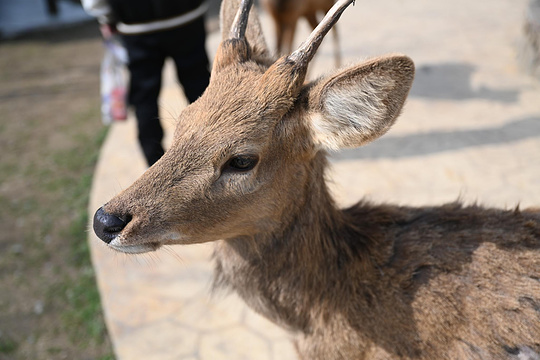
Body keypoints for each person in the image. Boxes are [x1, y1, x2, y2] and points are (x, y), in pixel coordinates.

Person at [82, 0, 211, 166]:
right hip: (186, 17)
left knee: (145, 98)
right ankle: (212, 150)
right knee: (199, 87)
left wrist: (105, 15)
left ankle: (155, 164)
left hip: (136, 25)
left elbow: (94, 3)